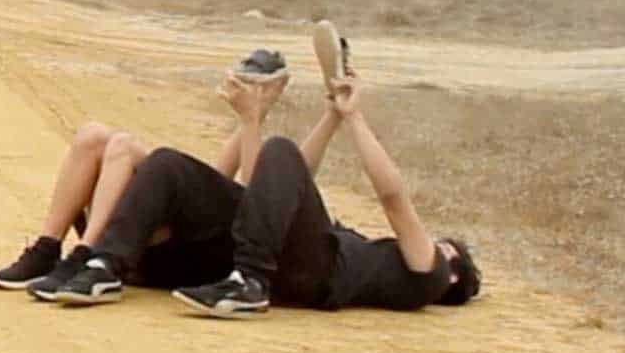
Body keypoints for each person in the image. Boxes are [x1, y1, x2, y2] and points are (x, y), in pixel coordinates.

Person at [0, 49, 298, 301]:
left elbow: (248, 192)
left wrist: (254, 116)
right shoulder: (213, 184)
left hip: (156, 254)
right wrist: (254, 112)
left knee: (123, 145)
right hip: (148, 235)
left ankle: (86, 254)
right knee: (92, 135)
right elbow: (215, 182)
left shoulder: (269, 201)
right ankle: (47, 249)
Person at [172, 74, 481, 317]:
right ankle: (247, 280)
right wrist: (333, 116)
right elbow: (286, 183)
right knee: (279, 162)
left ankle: (247, 282)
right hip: (301, 275)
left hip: (318, 274)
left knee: (280, 149)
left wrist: (356, 118)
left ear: (452, 273)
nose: (430, 241)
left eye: (444, 245)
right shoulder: (379, 266)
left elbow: (394, 199)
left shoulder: (433, 273)